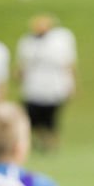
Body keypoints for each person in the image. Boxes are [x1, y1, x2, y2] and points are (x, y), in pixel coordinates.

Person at [16, 14, 77, 153]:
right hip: (34, 87)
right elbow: (22, 65)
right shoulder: (27, 41)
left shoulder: (61, 40)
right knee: (32, 117)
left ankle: (51, 144)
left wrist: (71, 84)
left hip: (54, 86)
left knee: (51, 119)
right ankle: (39, 142)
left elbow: (69, 63)